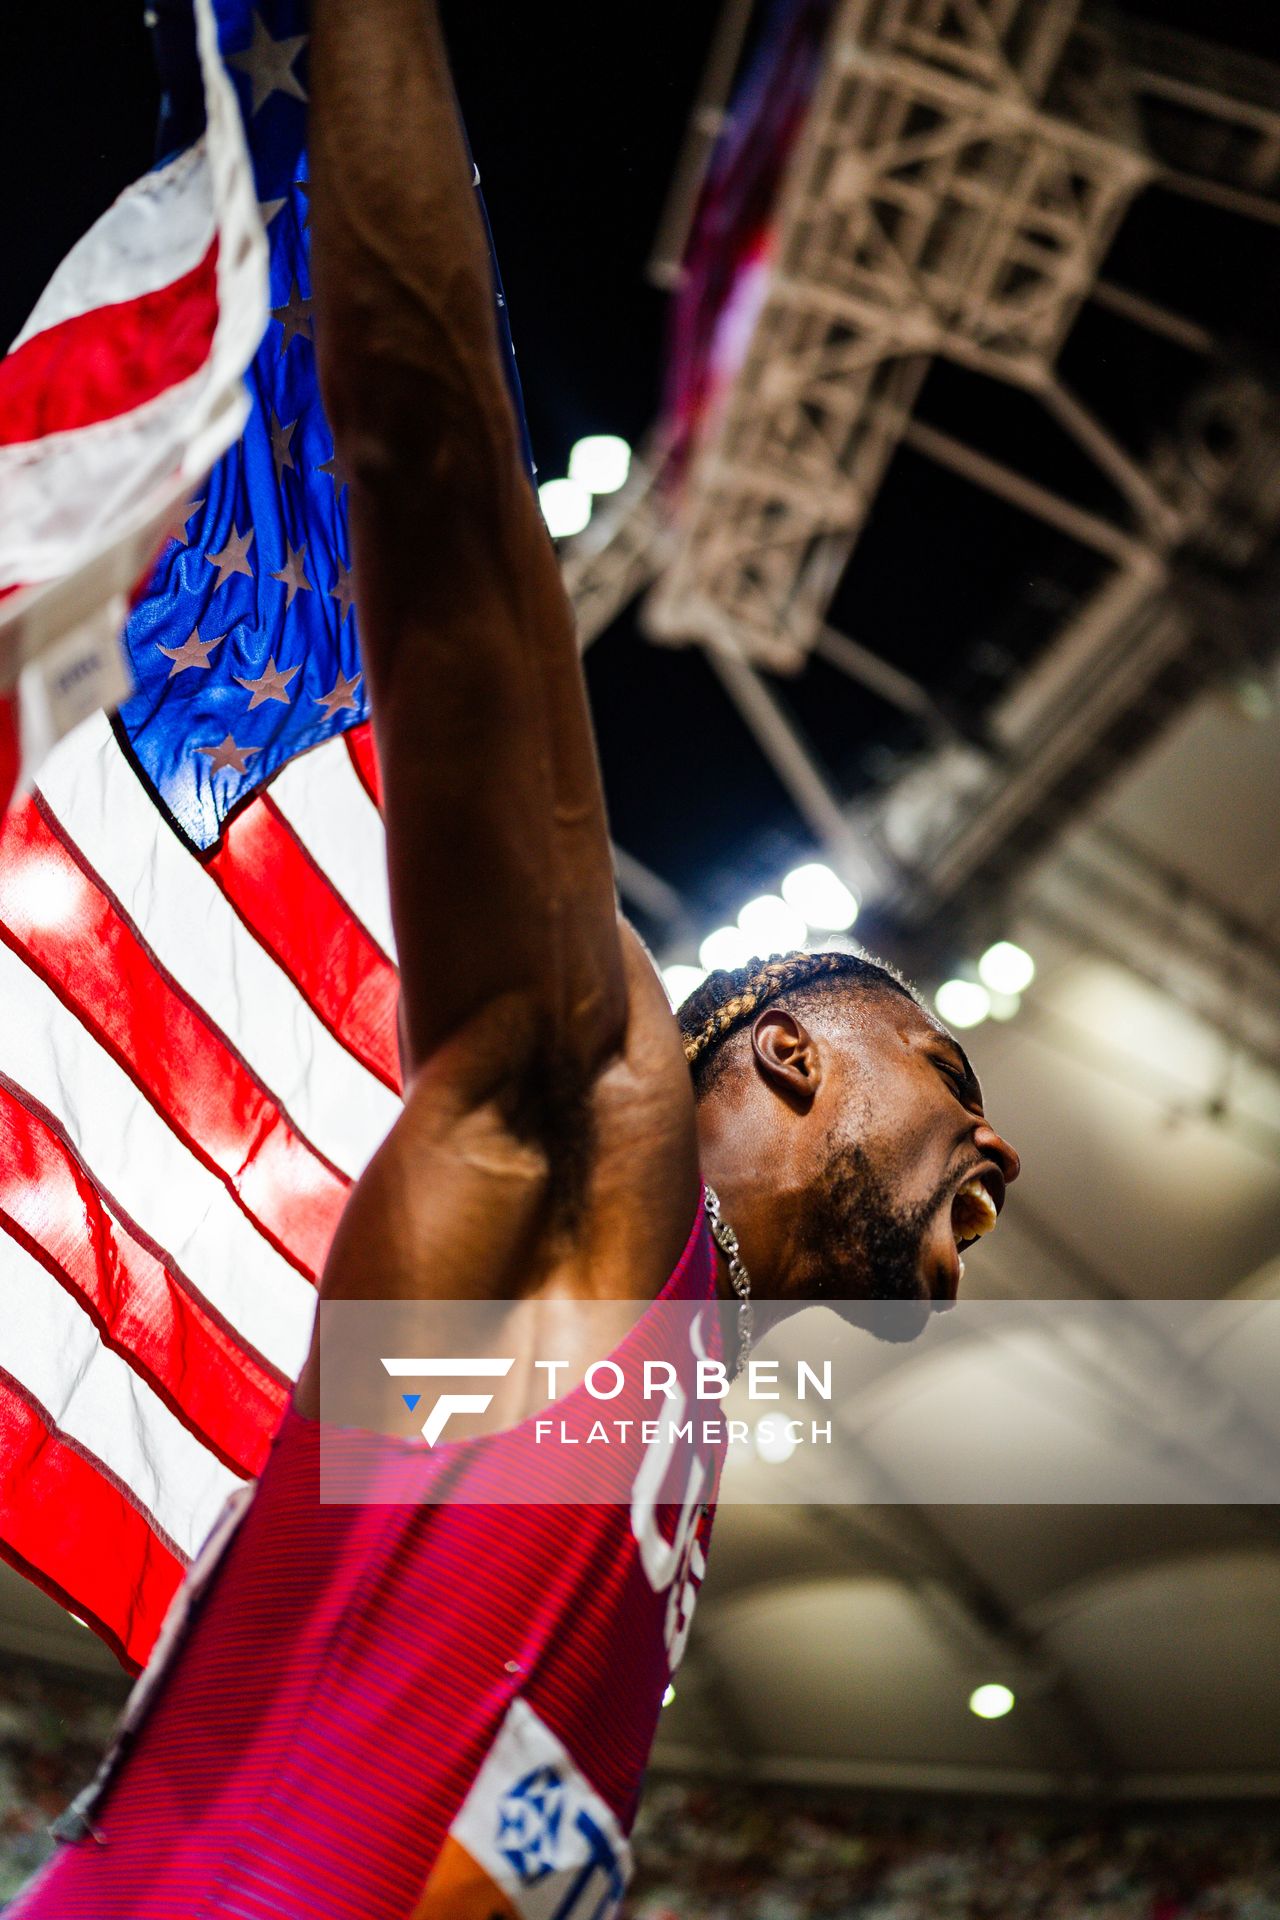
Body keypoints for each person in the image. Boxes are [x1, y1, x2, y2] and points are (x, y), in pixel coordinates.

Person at [10, 2, 1019, 1915]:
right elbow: (444, 485)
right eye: (951, 1075)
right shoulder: (596, 1132)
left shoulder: (657, 1390)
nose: (1004, 1145)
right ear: (789, 1057)